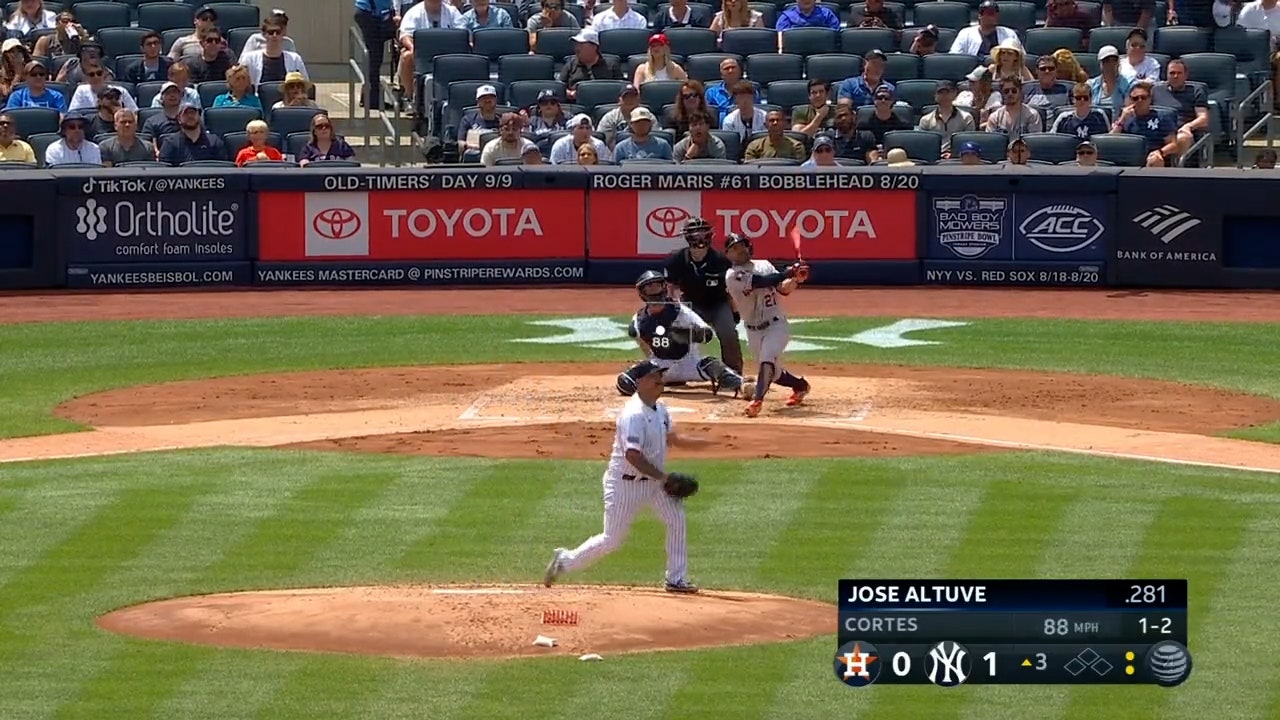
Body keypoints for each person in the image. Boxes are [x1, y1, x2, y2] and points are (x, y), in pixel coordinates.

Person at [542, 357, 711, 595]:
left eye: (661, 376)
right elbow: (633, 456)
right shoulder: (633, 415)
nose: (660, 381)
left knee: (676, 519)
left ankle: (676, 579)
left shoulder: (660, 409)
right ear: (641, 382)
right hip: (625, 484)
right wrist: (664, 478)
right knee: (612, 539)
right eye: (655, 377)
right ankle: (564, 561)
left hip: (653, 482)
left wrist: (708, 444)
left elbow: (673, 439)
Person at [723, 232, 811, 418]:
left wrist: (796, 279)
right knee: (774, 372)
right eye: (734, 249)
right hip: (752, 330)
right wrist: (788, 271)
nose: (739, 251)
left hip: (776, 324)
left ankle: (757, 401)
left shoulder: (764, 265)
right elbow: (762, 282)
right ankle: (800, 386)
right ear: (728, 255)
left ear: (749, 247)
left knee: (766, 360)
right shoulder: (732, 275)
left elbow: (782, 288)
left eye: (742, 246)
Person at [618, 270, 744, 394]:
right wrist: (649, 362)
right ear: (642, 292)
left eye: (657, 286)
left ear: (664, 288)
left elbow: (707, 334)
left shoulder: (681, 312)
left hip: (690, 364)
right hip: (661, 368)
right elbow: (641, 341)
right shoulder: (639, 320)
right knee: (625, 381)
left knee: (713, 365)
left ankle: (743, 385)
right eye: (650, 288)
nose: (654, 291)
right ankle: (662, 381)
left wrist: (689, 335)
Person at [663, 218, 745, 374]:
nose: (699, 238)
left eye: (703, 234)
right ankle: (675, 370)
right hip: (691, 304)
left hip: (718, 304)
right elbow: (671, 288)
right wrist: (674, 311)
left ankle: (734, 373)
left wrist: (734, 311)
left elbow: (729, 290)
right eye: (695, 234)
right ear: (688, 237)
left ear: (709, 236)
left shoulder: (721, 261)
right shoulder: (676, 260)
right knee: (676, 332)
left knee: (728, 332)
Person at [1111, 80, 1181, 166]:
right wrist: (1122, 120)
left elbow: (1173, 145)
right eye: (1135, 98)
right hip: (1128, 157)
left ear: (1150, 99)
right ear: (1130, 100)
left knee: (1155, 160)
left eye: (1143, 97)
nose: (1139, 101)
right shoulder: (1124, 117)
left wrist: (1160, 152)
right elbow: (1111, 140)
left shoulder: (1162, 117)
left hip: (1152, 156)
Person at [354, 0, 399, 110]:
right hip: (370, 13)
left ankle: (369, 97)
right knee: (374, 56)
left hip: (374, 12)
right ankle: (372, 100)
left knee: (374, 56)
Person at [242, 15, 308, 88]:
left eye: (278, 32)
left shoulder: (295, 59)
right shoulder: (249, 58)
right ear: (264, 34)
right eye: (270, 32)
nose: (274, 35)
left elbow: (305, 84)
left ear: (283, 34)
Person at [558, 29, 622, 102]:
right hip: (577, 104)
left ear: (594, 47)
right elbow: (559, 87)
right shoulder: (570, 64)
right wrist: (569, 93)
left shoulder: (611, 65)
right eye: (576, 45)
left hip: (604, 103)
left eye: (581, 45)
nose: (577, 48)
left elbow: (621, 88)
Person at [157, 101, 229, 165]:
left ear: (199, 116)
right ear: (179, 119)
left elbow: (223, 169)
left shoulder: (214, 141)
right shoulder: (170, 143)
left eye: (193, 113)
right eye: (185, 113)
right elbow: (164, 171)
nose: (190, 116)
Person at [917, 81, 974, 156]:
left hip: (958, 158)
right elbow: (924, 144)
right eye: (940, 93)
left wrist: (953, 153)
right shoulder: (925, 120)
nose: (944, 96)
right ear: (935, 96)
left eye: (947, 92)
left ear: (954, 94)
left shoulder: (966, 118)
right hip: (933, 158)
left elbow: (968, 142)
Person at [950, 1, 1022, 58]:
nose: (994, 16)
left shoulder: (1009, 34)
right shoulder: (965, 33)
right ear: (980, 16)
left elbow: (1021, 57)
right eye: (990, 13)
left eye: (996, 13)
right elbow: (955, 57)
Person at [705, 57, 761, 124]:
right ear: (721, 74)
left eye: (733, 67)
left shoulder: (750, 91)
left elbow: (756, 113)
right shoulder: (711, 93)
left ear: (740, 71)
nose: (730, 71)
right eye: (726, 69)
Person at [985, 76, 1043, 141]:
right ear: (1002, 93)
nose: (1010, 94)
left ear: (1020, 92)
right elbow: (992, 142)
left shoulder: (1032, 115)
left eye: (1014, 91)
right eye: (1006, 91)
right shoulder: (995, 117)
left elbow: (1034, 142)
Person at [67, 62, 138, 113]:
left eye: (99, 73)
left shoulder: (121, 91)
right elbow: (72, 114)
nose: (96, 77)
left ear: (104, 74)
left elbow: (134, 113)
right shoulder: (81, 91)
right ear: (86, 77)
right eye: (91, 74)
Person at [1089, 45, 1132, 115]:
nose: (1110, 64)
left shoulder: (1128, 84)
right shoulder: (1091, 85)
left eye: (1114, 60)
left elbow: (1129, 111)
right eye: (1106, 61)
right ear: (1100, 64)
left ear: (1118, 63)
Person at [776, 0, 840, 31]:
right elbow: (780, 38)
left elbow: (836, 34)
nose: (806, 0)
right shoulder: (787, 17)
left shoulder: (826, 14)